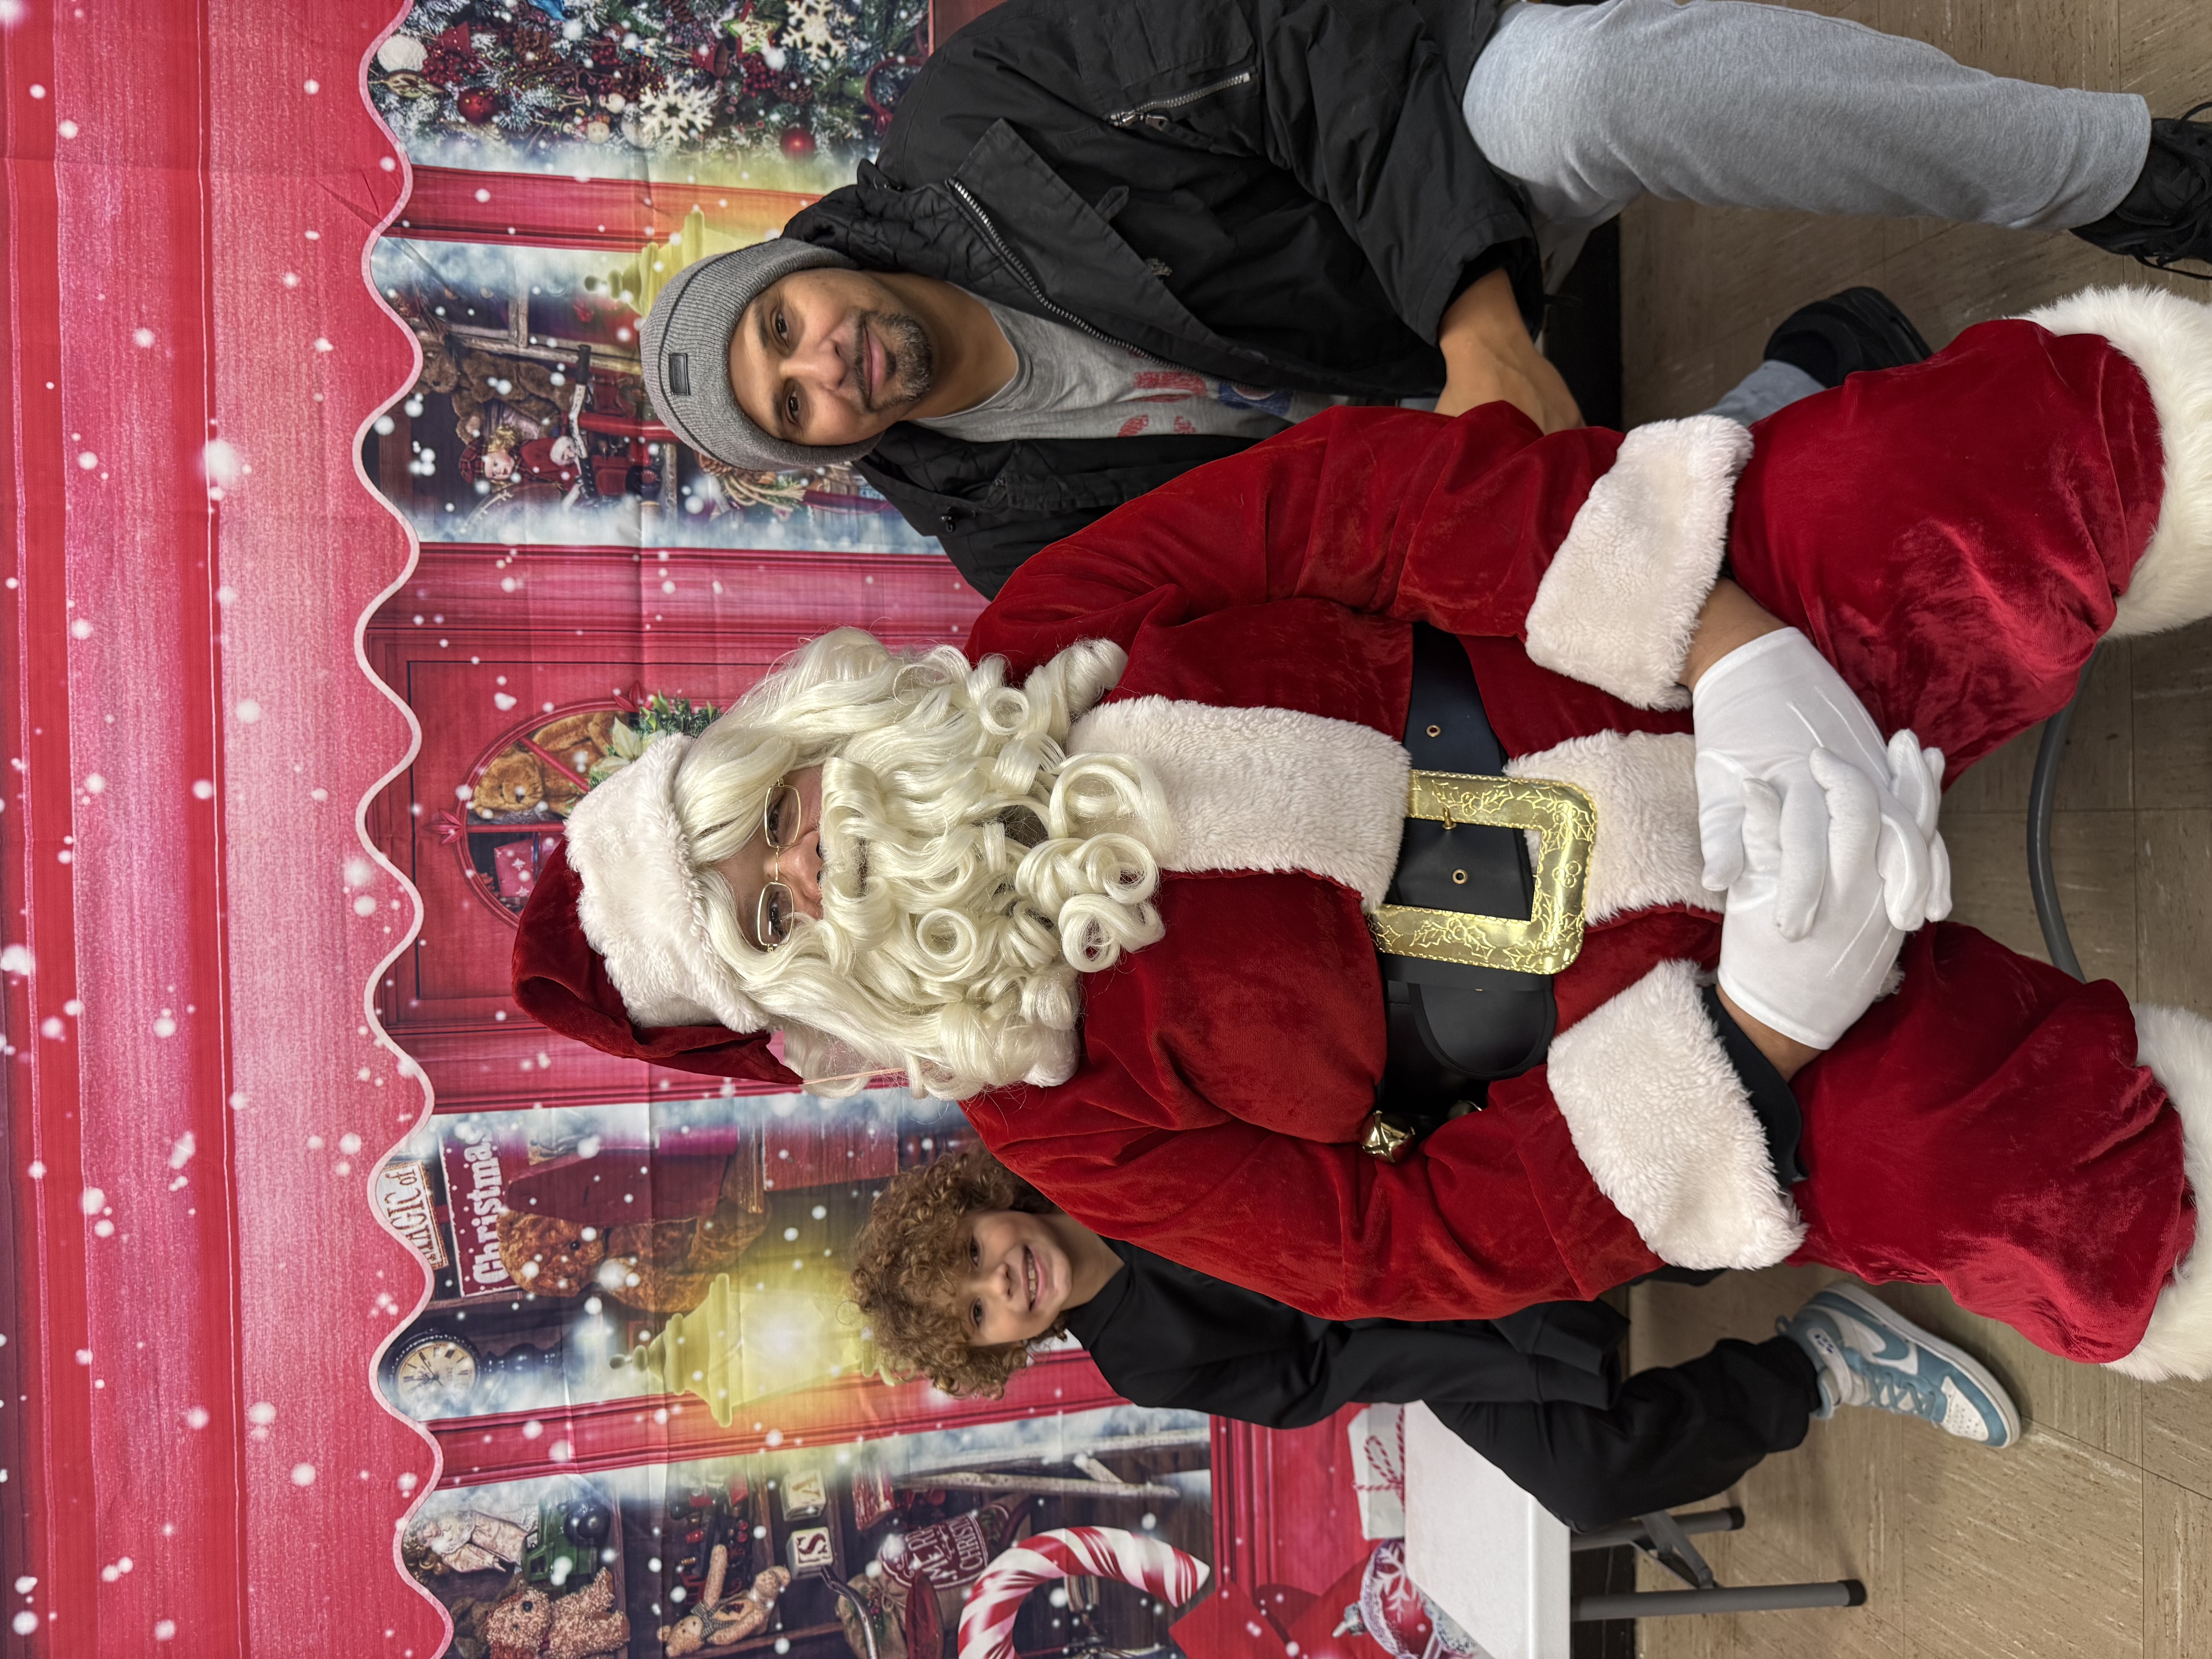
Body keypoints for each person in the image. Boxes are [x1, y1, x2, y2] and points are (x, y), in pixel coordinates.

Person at [512, 282, 2212, 1386]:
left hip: (1655, 659)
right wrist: (1764, 1024)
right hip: (1690, 1031)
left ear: (803, 738)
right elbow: (1390, 1252)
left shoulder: (1042, 632)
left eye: (779, 821)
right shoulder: (1053, 1117)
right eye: (767, 916)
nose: (821, 872)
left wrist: (1739, 655)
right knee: (1977, 1169)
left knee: (1942, 484)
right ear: (794, 1003)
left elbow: (1358, 500)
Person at [634, 0, 2212, 593]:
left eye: (784, 327)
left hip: (1436, 195)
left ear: (799, 265)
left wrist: (1474, 322)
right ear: (826, 455)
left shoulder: (969, 121)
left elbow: (1314, 47)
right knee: (1599, 631)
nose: (826, 368)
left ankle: (2135, 177)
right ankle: (1817, 377)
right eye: (795, 411)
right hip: (1445, 458)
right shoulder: (1001, 532)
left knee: (1573, 89)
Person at [841, 1147, 2018, 1530]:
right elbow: (1315, 1374)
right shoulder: (1143, 1358)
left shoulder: (1092, 1152)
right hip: (1397, 1327)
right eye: (983, 1311)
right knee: (1586, 1473)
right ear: (1003, 1343)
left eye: (975, 1257)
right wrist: (1477, 1329)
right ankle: (1822, 1360)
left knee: (1646, 1212)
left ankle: (1886, 1187)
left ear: (978, 1204)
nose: (1003, 1280)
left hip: (1405, 1181)